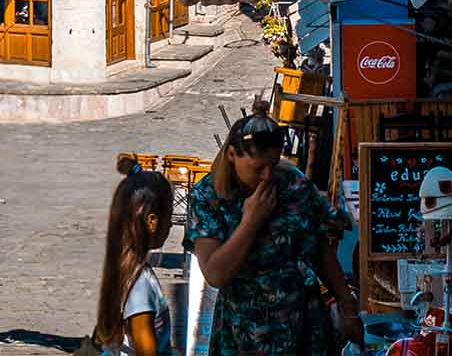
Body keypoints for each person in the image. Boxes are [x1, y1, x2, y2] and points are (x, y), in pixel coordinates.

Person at [184, 107, 362, 356]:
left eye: (273, 164)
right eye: (258, 168)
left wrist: (348, 305)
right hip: (244, 333)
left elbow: (320, 251)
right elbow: (215, 273)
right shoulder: (208, 197)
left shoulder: (292, 183)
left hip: (304, 327)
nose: (268, 175)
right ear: (232, 155)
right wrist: (250, 222)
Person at [94, 156, 176, 356]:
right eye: (169, 217)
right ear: (152, 221)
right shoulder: (141, 286)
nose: (171, 225)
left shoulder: (123, 270)